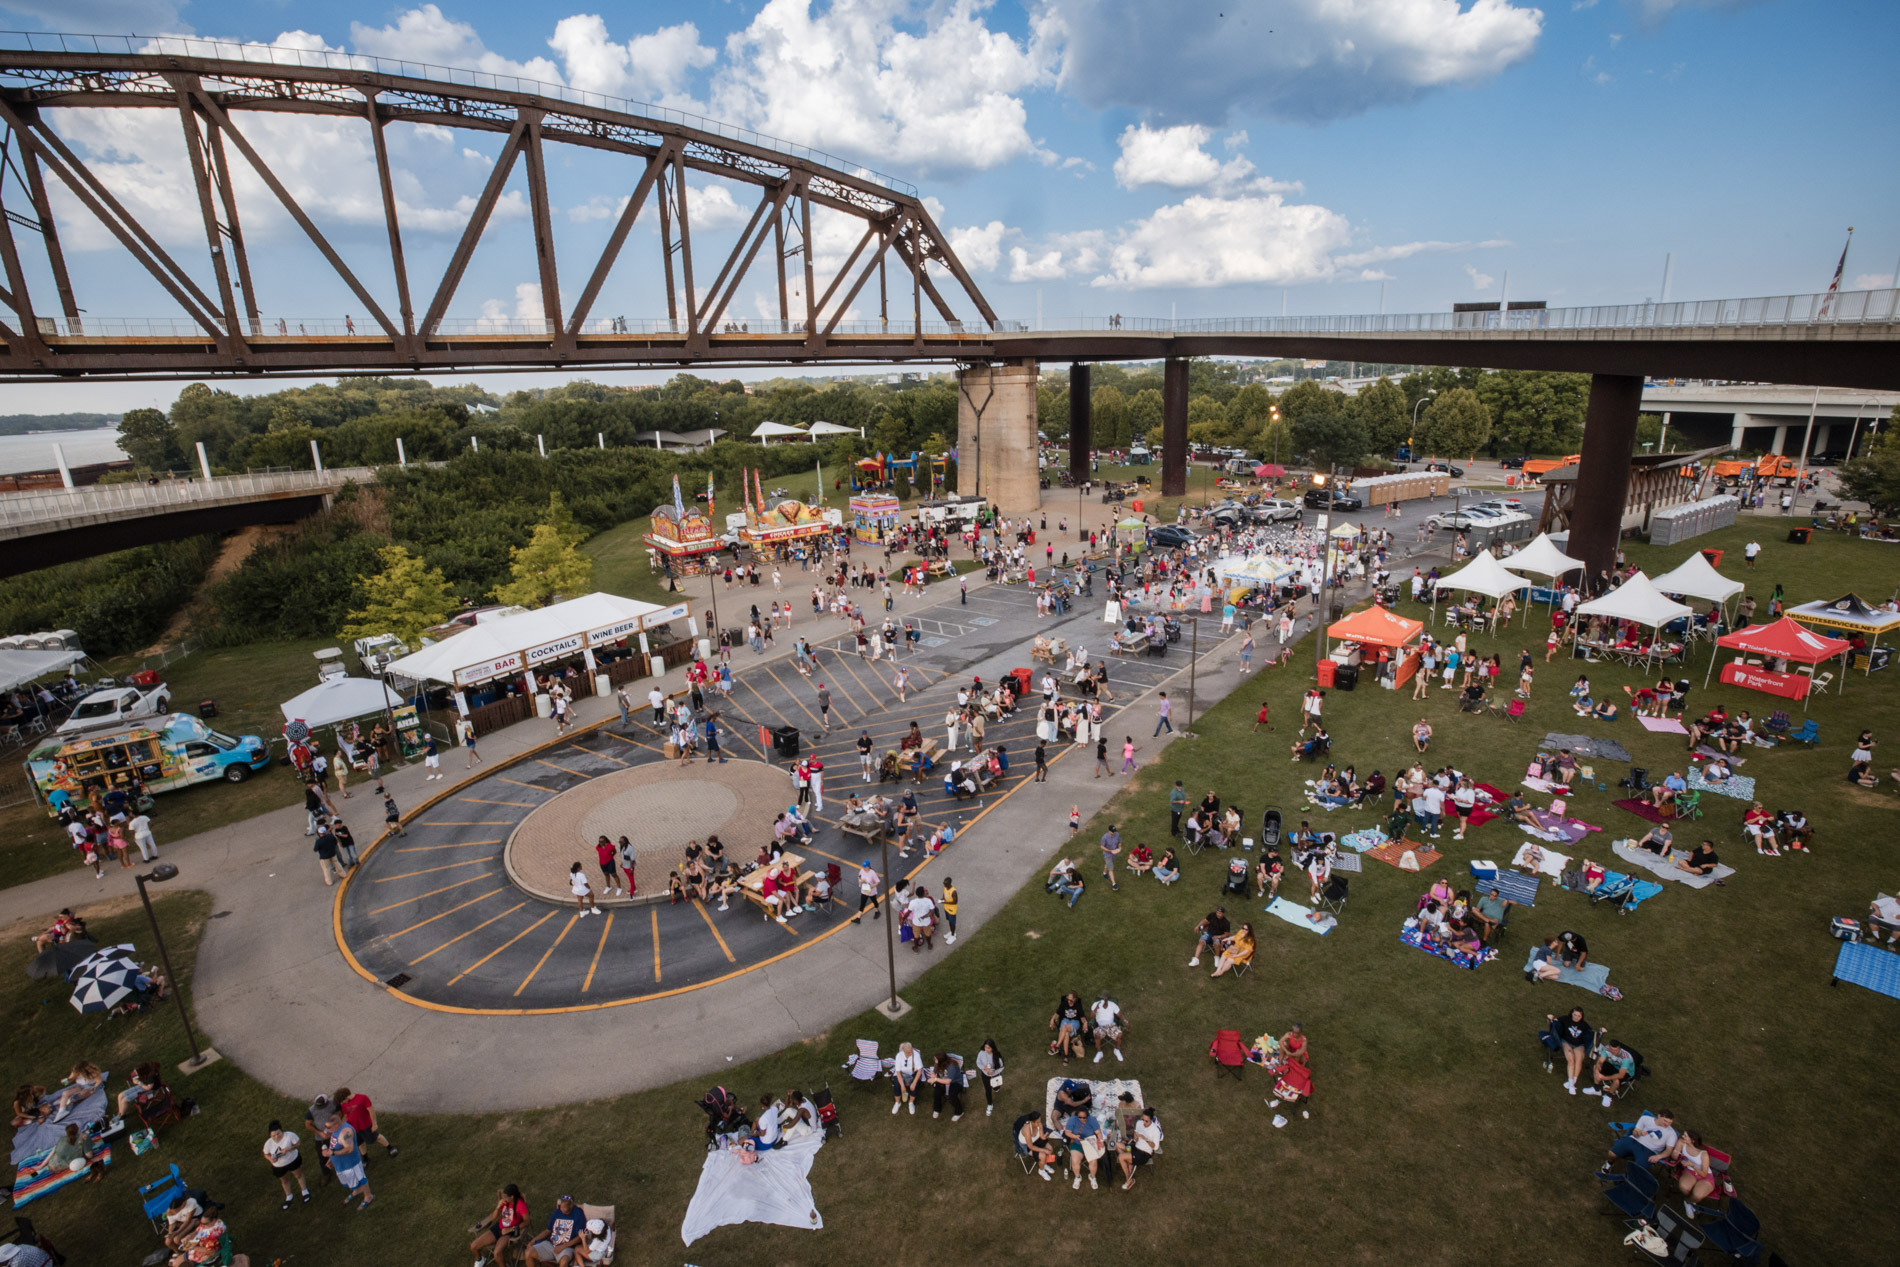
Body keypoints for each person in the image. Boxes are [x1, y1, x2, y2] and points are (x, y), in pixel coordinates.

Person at [1600, 1110, 1678, 1176]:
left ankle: (1627, 1179)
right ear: (1659, 1116)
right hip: (1634, 1140)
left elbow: (1669, 1150)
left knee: (1637, 1169)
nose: (1667, 1124)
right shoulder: (1645, 1119)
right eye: (1665, 1121)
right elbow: (1635, 1133)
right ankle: (1609, 1164)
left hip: (1649, 1150)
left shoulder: (1671, 1134)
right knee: (1612, 1153)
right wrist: (1639, 1133)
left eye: (1670, 1123)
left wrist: (1658, 1157)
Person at [1663, 1129, 1718, 1219]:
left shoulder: (1703, 1154)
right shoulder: (1682, 1142)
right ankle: (1692, 1202)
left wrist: (1693, 1166)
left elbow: (1704, 1174)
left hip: (1704, 1175)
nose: (1683, 1137)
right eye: (1684, 1135)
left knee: (1697, 1195)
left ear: (1692, 1140)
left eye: (1685, 1136)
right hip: (1689, 1171)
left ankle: (1688, 1202)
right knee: (1684, 1187)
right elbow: (1674, 1156)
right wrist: (1675, 1153)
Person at [322, 1115, 373, 1211]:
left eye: (328, 1127)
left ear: (337, 1125)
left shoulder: (345, 1132)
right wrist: (331, 1159)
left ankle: (368, 1196)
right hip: (341, 1164)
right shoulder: (334, 1131)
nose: (326, 1129)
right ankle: (357, 1190)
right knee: (351, 1180)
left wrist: (332, 1153)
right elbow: (334, 1146)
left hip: (351, 1163)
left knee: (361, 1178)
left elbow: (349, 1148)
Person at [471, 1184, 528, 1264]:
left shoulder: (520, 1205)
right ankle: (480, 1260)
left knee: (497, 1253)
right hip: (498, 1227)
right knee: (473, 1246)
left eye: (506, 1196)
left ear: (512, 1197)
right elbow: (494, 1217)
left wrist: (510, 1229)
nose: (503, 1198)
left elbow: (526, 1222)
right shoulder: (504, 1202)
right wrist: (498, 1206)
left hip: (508, 1232)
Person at [263, 1119, 311, 1208]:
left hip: (292, 1160)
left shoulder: (289, 1135)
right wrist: (270, 1159)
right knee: (284, 1180)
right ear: (270, 1135)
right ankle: (289, 1196)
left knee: (298, 1175)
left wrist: (288, 1149)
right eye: (273, 1135)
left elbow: (298, 1144)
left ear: (282, 1131)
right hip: (278, 1165)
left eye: (278, 1134)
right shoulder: (268, 1143)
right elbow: (266, 1154)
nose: (276, 1137)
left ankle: (304, 1191)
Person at [527, 1193, 586, 1265]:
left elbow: (579, 1238)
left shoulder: (578, 1215)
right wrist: (534, 1240)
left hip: (567, 1247)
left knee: (564, 1262)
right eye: (561, 1207)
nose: (562, 1209)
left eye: (564, 1207)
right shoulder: (557, 1212)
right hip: (550, 1244)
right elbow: (547, 1231)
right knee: (528, 1252)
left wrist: (563, 1246)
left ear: (571, 1205)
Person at [1116, 1105, 1164, 1190]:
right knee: (1117, 1145)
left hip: (1144, 1153)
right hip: (1135, 1146)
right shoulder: (1139, 1123)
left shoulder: (1155, 1131)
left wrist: (1146, 1139)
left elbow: (1156, 1147)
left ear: (1151, 1120)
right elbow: (1135, 1136)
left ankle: (1128, 1179)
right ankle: (1130, 1162)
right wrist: (1136, 1137)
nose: (1144, 1123)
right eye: (1143, 1120)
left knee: (1121, 1157)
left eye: (1147, 1121)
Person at [1549, 1006, 1593, 1095]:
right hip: (1566, 1042)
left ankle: (1572, 1083)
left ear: (1582, 1016)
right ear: (1571, 1013)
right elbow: (1554, 1023)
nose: (1576, 1017)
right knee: (1571, 1059)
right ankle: (1571, 1084)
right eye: (1575, 1015)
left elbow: (1591, 1034)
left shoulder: (1584, 1025)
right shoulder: (1565, 1019)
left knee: (1579, 1060)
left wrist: (1600, 1033)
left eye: (1578, 1016)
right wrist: (1550, 1019)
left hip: (1579, 1044)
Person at [1062, 1101, 1106, 1191]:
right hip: (1077, 1143)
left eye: (1084, 1117)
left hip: (1089, 1143)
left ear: (1088, 1116)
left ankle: (1092, 1177)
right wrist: (1075, 1136)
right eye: (1080, 1117)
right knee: (1075, 1161)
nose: (1082, 1119)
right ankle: (1077, 1177)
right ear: (1077, 1116)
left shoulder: (1092, 1120)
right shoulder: (1072, 1120)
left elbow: (1098, 1132)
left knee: (1093, 1162)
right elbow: (1067, 1132)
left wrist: (1101, 1140)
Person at [1592, 1038, 1637, 1105]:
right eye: (1611, 1050)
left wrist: (1604, 1078)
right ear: (1609, 1047)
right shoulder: (1606, 1049)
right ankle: (1596, 1089)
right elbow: (1600, 1061)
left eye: (1615, 1050)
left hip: (1626, 1072)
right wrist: (1597, 1070)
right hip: (1614, 1066)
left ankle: (1608, 1096)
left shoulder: (1626, 1058)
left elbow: (1621, 1075)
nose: (1613, 1052)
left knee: (1616, 1080)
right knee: (1596, 1067)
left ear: (1619, 1049)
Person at [1017, 1112, 1059, 1180]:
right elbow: (1031, 1147)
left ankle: (1044, 1164)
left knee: (1050, 1149)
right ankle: (1041, 1171)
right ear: (1032, 1122)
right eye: (1037, 1122)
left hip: (1036, 1140)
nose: (1039, 1123)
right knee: (1043, 1155)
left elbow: (1042, 1137)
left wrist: (1045, 1136)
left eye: (1040, 1121)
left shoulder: (1039, 1124)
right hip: (1027, 1145)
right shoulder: (1027, 1130)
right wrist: (1044, 1150)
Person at [926, 1053, 965, 1120]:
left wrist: (935, 1079)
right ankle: (937, 1109)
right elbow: (934, 1071)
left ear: (942, 1060)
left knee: (953, 1095)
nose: (934, 1060)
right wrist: (933, 1074)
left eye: (936, 1059)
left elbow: (948, 1081)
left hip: (955, 1081)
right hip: (942, 1079)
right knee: (937, 1092)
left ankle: (959, 1112)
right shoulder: (937, 1064)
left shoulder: (952, 1066)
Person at [1050, 991, 1087, 1062]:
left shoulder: (1078, 1005)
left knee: (1064, 1028)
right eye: (1068, 999)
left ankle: (1057, 1047)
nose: (1069, 1001)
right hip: (1065, 1021)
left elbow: (1082, 1017)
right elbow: (1057, 1014)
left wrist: (1085, 1022)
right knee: (1066, 1034)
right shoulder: (1064, 1003)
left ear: (1075, 999)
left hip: (1074, 1023)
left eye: (1071, 1000)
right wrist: (1052, 1019)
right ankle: (1066, 1057)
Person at [890, 1042, 925, 1114]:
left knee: (914, 1086)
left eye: (911, 1051)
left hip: (913, 1074)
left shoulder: (916, 1054)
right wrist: (902, 1086)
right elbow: (898, 1072)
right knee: (897, 1085)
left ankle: (911, 1103)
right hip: (901, 1074)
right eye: (908, 1052)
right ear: (904, 1051)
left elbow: (919, 1070)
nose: (910, 1053)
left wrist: (914, 1083)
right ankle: (897, 1103)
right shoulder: (899, 1056)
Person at [1090, 996, 1126, 1063]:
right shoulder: (1096, 1004)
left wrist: (1125, 1021)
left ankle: (1117, 1050)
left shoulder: (1112, 1004)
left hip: (1111, 1026)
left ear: (1108, 999)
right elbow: (1091, 1017)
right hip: (1101, 1026)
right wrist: (1095, 1009)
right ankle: (1099, 1052)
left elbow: (1119, 1015)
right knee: (1097, 1034)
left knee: (1120, 1035)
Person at [1099, 824, 1123, 891]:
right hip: (1108, 854)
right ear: (1108, 831)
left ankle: (1104, 873)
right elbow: (1102, 847)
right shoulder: (1105, 837)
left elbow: (1119, 842)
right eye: (1112, 831)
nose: (1113, 833)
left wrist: (1119, 848)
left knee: (1108, 864)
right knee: (1111, 869)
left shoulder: (1117, 834)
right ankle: (1114, 884)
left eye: (1114, 831)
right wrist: (1110, 851)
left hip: (1114, 854)